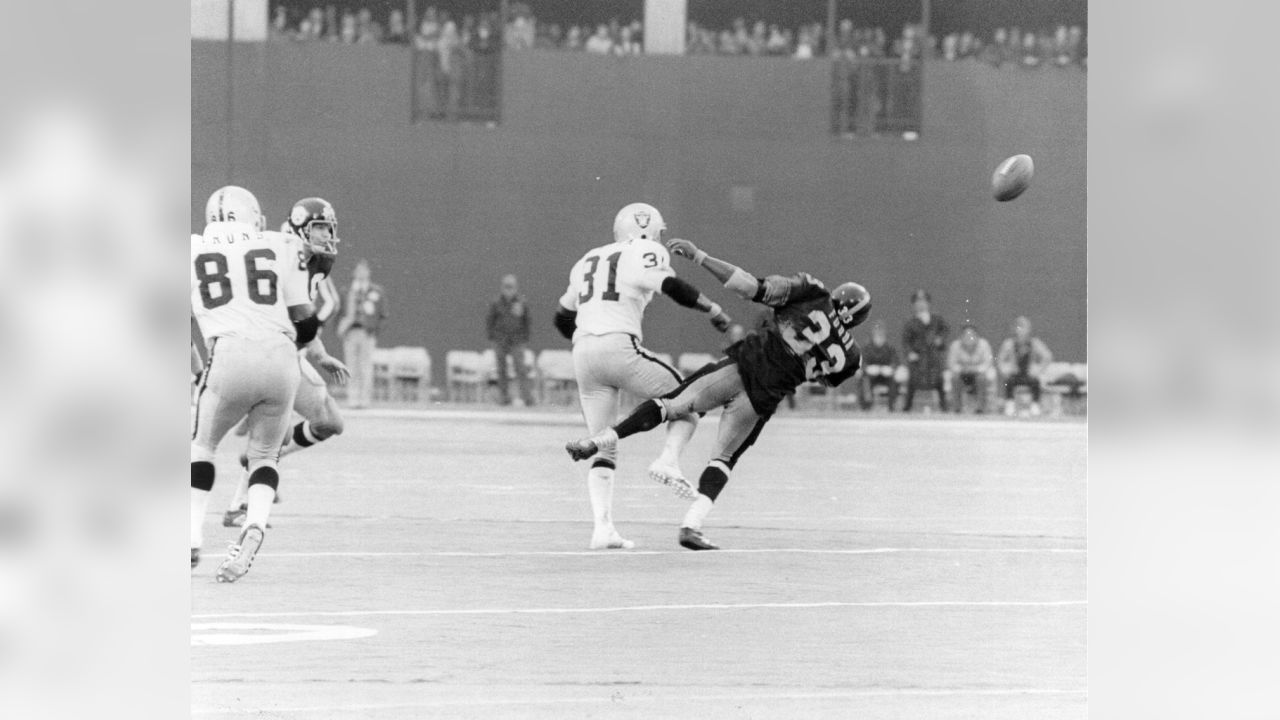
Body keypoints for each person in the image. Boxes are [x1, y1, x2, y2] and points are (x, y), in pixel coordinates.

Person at [565, 236, 871, 551]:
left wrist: (700, 257)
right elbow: (824, 378)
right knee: (725, 458)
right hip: (766, 393)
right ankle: (691, 525)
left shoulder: (813, 293)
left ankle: (597, 441)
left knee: (671, 404)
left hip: (746, 363)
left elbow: (748, 286)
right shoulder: (851, 358)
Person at [553, 203, 731, 550]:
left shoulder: (589, 258)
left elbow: (562, 317)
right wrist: (713, 309)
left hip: (583, 354)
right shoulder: (644, 250)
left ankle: (602, 528)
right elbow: (672, 286)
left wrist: (591, 337)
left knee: (604, 443)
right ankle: (668, 460)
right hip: (619, 346)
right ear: (647, 230)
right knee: (689, 400)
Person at [190, 186, 345, 582]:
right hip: (281, 357)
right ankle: (252, 522)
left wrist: (193, 370)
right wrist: (313, 347)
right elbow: (305, 322)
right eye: (321, 229)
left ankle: (190, 538)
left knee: (201, 447)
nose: (327, 236)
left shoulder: (192, 249)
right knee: (266, 456)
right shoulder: (280, 246)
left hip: (230, 354)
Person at [223, 198, 351, 527]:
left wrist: (320, 355)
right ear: (299, 227)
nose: (326, 235)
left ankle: (246, 487)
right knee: (268, 434)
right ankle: (240, 502)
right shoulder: (279, 254)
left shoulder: (314, 262)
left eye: (328, 228)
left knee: (330, 423)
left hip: (285, 353)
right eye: (320, 228)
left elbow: (300, 314)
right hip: (263, 353)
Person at [337, 259, 388, 408]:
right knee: (351, 366)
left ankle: (365, 399)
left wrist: (374, 331)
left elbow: (383, 314)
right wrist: (341, 330)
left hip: (367, 333)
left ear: (368, 272)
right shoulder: (347, 291)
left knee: (366, 366)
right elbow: (339, 312)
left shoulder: (376, 291)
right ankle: (353, 398)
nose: (361, 274)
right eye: (358, 270)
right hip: (350, 332)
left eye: (364, 270)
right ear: (354, 273)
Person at [486, 274, 536, 406]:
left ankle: (527, 397)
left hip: (517, 340)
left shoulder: (521, 302)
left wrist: (525, 338)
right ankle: (504, 397)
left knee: (520, 368)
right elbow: (490, 320)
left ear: (516, 288)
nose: (509, 290)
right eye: (506, 287)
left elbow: (527, 321)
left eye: (511, 287)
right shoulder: (496, 303)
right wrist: (492, 337)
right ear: (502, 288)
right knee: (501, 369)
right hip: (500, 340)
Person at [901, 289, 949, 412]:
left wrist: (940, 340)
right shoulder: (910, 323)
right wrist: (910, 353)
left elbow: (945, 331)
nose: (921, 304)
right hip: (918, 360)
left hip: (933, 359)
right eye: (918, 302)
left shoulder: (936, 320)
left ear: (928, 304)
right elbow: (906, 342)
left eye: (923, 301)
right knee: (912, 381)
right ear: (914, 305)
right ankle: (907, 407)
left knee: (939, 380)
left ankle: (944, 407)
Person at [997, 315, 1053, 416]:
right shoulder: (1009, 343)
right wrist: (1005, 370)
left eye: (1024, 327)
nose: (1021, 331)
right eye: (1019, 327)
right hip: (1015, 374)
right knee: (1009, 382)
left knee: (1035, 382)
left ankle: (1035, 405)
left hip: (1029, 374)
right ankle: (1010, 404)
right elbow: (1000, 359)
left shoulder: (1035, 343)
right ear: (1015, 329)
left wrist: (1038, 369)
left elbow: (1047, 356)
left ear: (1029, 330)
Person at [946, 323, 995, 414]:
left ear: (977, 336)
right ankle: (957, 408)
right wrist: (962, 369)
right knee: (955, 378)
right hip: (962, 374)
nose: (969, 337)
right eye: (966, 335)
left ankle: (980, 409)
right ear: (961, 336)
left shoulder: (984, 345)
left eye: (972, 335)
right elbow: (951, 364)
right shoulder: (955, 346)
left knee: (981, 379)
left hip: (978, 374)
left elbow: (987, 363)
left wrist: (975, 369)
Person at [858, 319, 903, 410]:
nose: (879, 337)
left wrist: (890, 369)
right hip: (870, 377)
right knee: (864, 380)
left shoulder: (889, 348)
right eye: (877, 334)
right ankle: (866, 407)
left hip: (886, 377)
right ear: (873, 335)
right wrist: (868, 368)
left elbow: (896, 362)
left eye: (881, 334)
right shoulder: (867, 348)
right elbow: (861, 363)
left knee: (894, 382)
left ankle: (892, 407)